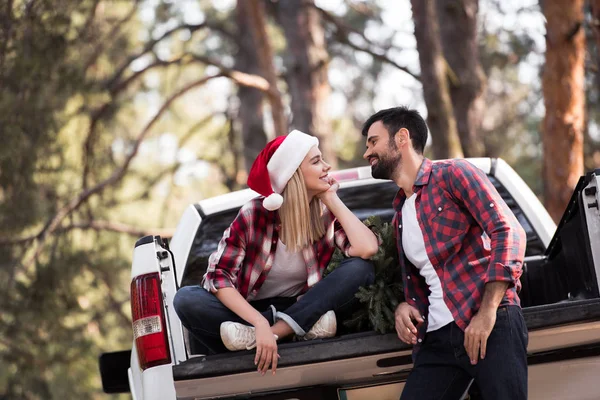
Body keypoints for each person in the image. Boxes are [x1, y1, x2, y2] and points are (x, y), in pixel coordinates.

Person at [174, 129, 378, 376]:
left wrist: (332, 199)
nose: (327, 166)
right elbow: (218, 277)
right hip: (249, 312)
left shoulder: (325, 214)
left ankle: (278, 332)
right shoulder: (254, 214)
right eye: (316, 161)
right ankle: (291, 331)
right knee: (186, 299)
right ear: (293, 174)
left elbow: (367, 249)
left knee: (360, 269)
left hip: (302, 306)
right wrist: (259, 322)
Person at [362, 107, 528, 399]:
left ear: (402, 138)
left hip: (490, 324)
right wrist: (406, 306)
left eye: (373, 142)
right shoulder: (401, 212)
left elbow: (509, 232)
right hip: (438, 338)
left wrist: (488, 313)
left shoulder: (453, 174)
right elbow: (426, 278)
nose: (367, 152)